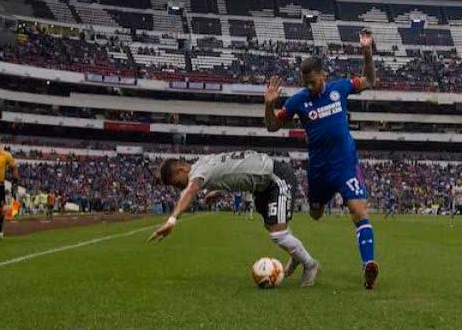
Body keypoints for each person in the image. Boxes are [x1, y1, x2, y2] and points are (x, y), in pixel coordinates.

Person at [264, 28, 380, 289]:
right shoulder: (298, 101)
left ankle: (368, 265)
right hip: (318, 169)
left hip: (345, 163)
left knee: (358, 211)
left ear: (323, 76)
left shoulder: (341, 88)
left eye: (313, 82)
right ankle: (299, 253)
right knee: (315, 213)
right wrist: (269, 105)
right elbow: (272, 127)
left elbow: (369, 80)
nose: (309, 87)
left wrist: (367, 52)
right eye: (305, 82)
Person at [150, 151, 320, 287]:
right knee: (272, 227)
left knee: (278, 233)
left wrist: (172, 220)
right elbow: (233, 171)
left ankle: (310, 264)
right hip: (262, 186)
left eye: (175, 182)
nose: (178, 186)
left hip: (275, 177)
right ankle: (298, 257)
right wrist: (220, 191)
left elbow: (191, 190)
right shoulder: (204, 162)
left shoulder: (198, 172)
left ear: (181, 168)